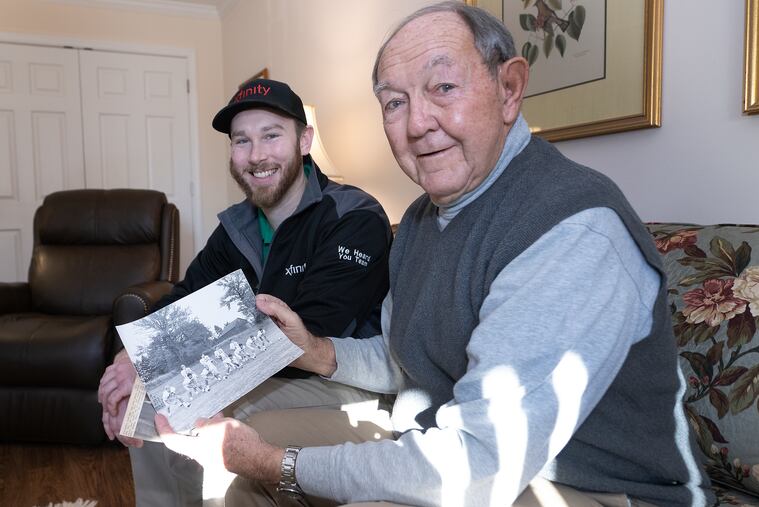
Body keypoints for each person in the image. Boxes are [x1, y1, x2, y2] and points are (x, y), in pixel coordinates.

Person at [155, 3, 715, 507]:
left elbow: (480, 466)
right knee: (239, 472)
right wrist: (318, 351)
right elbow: (405, 360)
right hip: (436, 434)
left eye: (442, 86)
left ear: (509, 90)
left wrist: (279, 465)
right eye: (395, 102)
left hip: (598, 485)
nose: (417, 123)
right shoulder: (423, 218)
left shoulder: (571, 229)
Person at [97, 78, 393, 506]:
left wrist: (163, 364)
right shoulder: (237, 226)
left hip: (336, 378)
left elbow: (304, 334)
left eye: (272, 135)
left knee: (202, 418)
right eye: (242, 141)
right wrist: (132, 363)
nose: (256, 155)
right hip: (256, 369)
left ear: (304, 140)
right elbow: (184, 297)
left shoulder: (353, 217)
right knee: (140, 405)